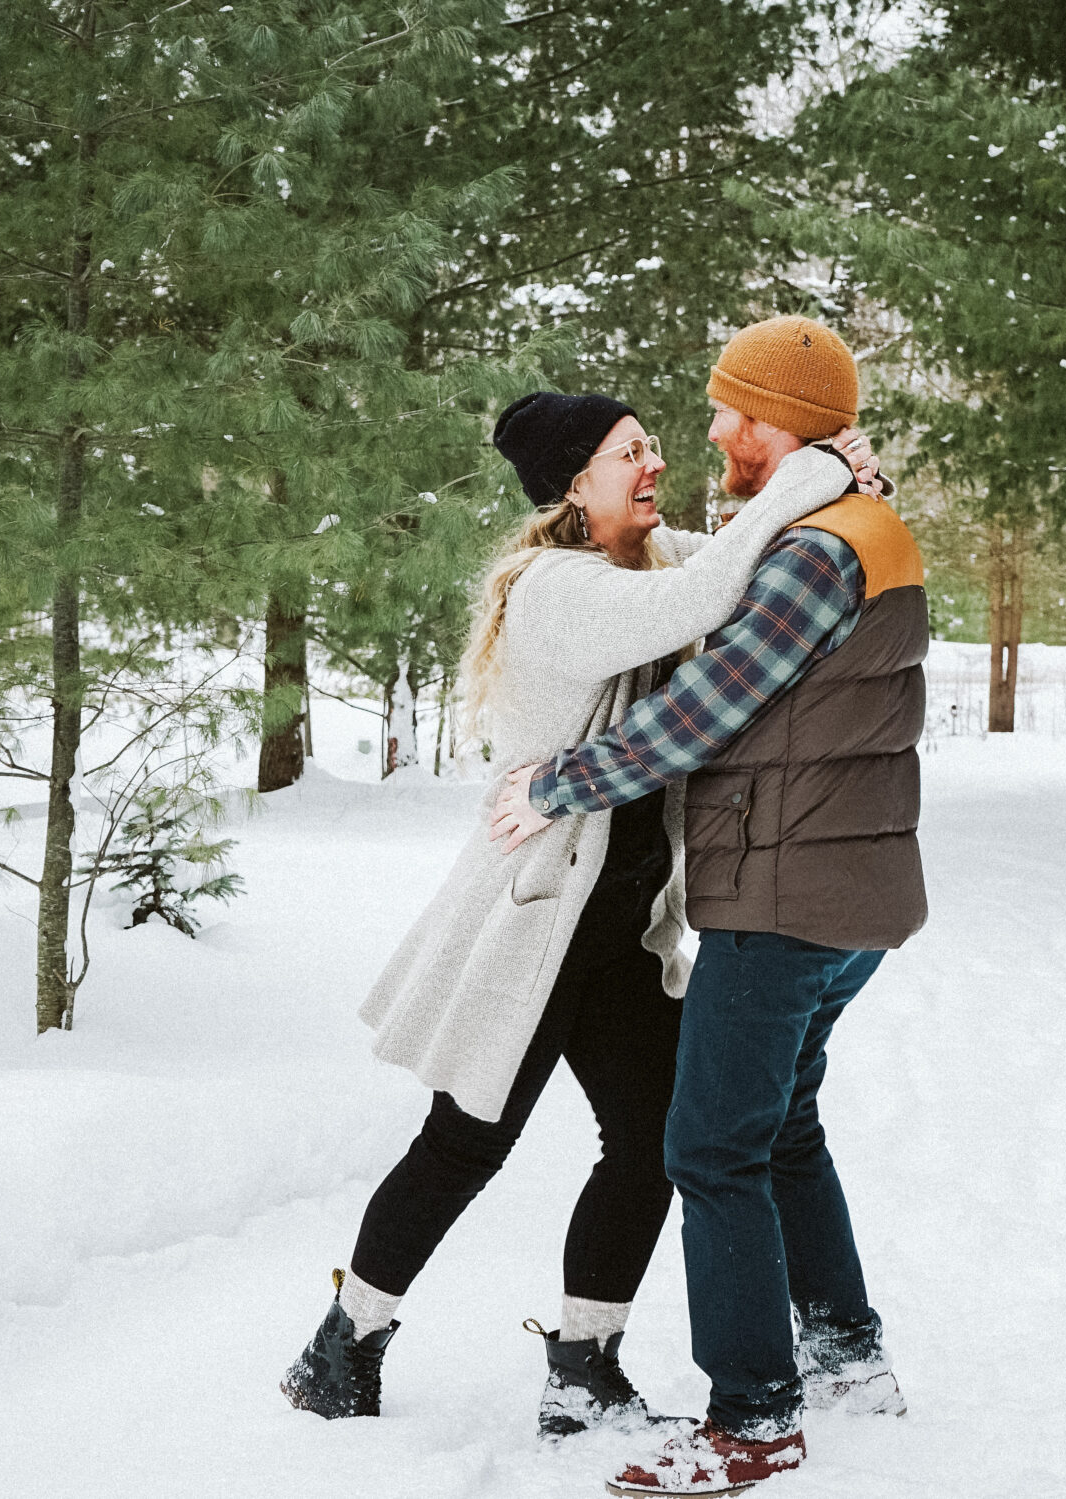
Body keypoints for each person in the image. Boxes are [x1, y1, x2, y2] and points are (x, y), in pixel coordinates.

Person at [281, 387, 882, 1436]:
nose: (652, 464)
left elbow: (751, 552)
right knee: (464, 1144)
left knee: (652, 1140)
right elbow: (704, 596)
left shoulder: (644, 561)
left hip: (615, 933)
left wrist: (844, 486)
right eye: (627, 452)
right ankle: (346, 1343)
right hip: (535, 922)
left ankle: (583, 1365)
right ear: (572, 481)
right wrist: (819, 467)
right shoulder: (558, 586)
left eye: (650, 446)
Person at [489, 317, 929, 1496]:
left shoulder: (808, 554)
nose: (716, 433)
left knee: (709, 1148)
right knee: (782, 1129)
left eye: (735, 413)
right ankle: (845, 1355)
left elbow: (693, 719)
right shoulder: (855, 523)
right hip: (855, 896)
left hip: (783, 892)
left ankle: (754, 1419)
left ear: (783, 424)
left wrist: (555, 785)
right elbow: (707, 572)